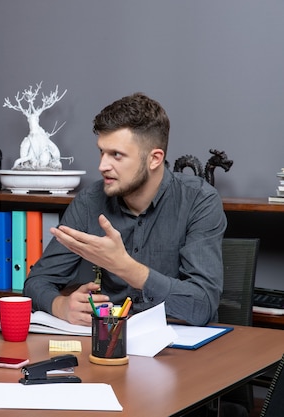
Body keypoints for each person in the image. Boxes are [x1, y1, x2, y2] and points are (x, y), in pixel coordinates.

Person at [24, 92, 227, 327]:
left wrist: (124, 266)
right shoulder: (89, 201)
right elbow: (36, 282)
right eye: (102, 151)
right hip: (110, 342)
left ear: (154, 159)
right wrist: (60, 305)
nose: (102, 166)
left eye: (116, 155)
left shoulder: (199, 200)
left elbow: (202, 305)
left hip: (182, 348)